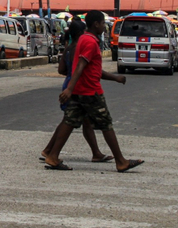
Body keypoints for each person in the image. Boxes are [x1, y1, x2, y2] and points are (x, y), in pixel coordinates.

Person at [43, 11, 143, 173]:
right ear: (96, 24)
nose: (104, 27)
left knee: (69, 121)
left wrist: (115, 78)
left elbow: (92, 69)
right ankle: (121, 161)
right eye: (103, 24)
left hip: (79, 89)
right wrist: (69, 89)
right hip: (90, 91)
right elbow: (81, 65)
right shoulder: (90, 42)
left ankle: (52, 155)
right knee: (106, 124)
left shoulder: (84, 39)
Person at [40, 19, 112, 165]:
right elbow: (82, 66)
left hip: (69, 83)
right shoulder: (81, 47)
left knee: (80, 120)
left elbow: (61, 69)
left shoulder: (68, 48)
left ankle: (95, 153)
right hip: (76, 85)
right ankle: (49, 151)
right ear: (81, 32)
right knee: (70, 121)